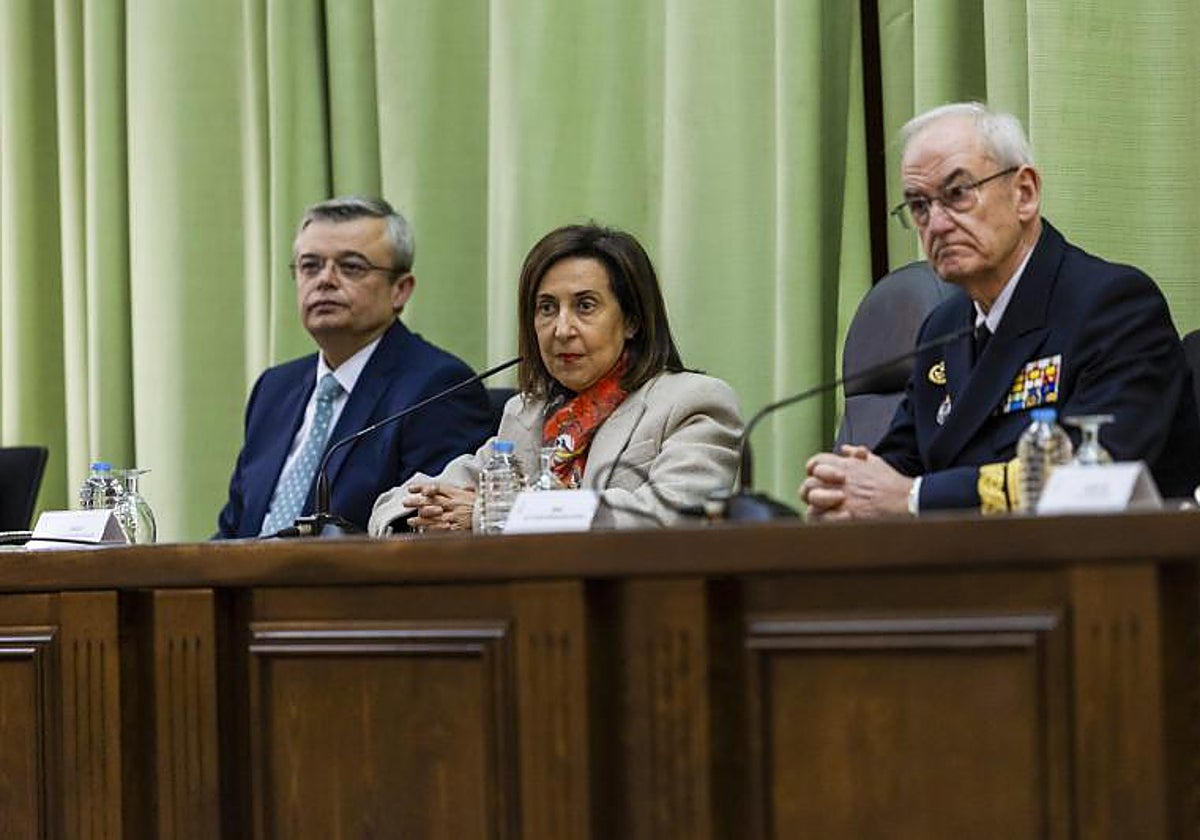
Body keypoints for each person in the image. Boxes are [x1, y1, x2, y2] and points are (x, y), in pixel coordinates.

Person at [801, 102, 1200, 519]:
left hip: (1099, 573)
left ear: (1024, 193)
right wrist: (845, 486)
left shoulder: (1113, 306)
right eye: (919, 205)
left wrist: (915, 497)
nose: (935, 225)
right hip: (965, 568)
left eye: (957, 194)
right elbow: (900, 463)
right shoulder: (943, 327)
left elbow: (1091, 479)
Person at [368, 223, 743, 534]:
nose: (561, 329)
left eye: (585, 306)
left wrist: (495, 514)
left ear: (632, 320)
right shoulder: (527, 413)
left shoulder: (692, 402)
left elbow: (672, 515)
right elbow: (400, 501)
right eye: (547, 308)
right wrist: (422, 515)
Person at [217, 196, 494, 537]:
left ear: (400, 290)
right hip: (246, 584)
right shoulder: (274, 388)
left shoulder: (438, 388)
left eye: (351, 267)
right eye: (310, 266)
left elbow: (421, 532)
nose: (325, 280)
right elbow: (233, 529)